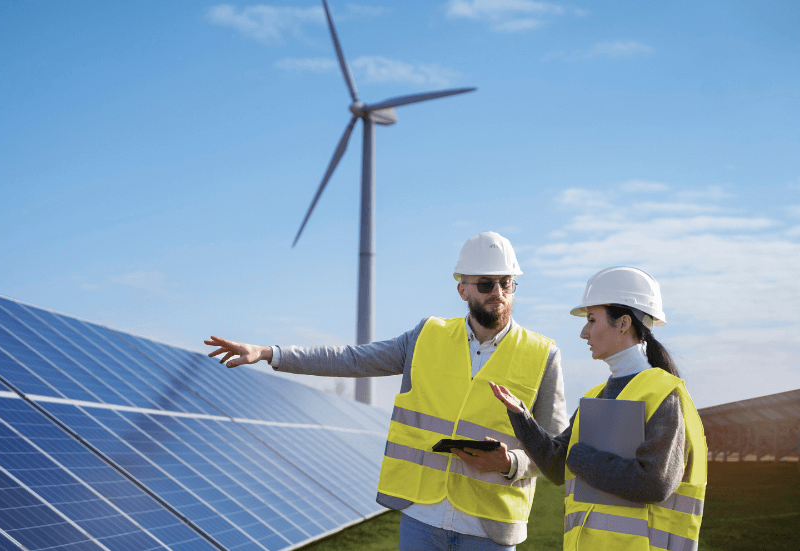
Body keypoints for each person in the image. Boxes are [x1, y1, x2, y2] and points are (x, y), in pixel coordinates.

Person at [206, 231, 568, 551]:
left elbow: (555, 453)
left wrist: (510, 463)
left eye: (507, 283)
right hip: (422, 520)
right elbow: (352, 359)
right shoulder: (427, 335)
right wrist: (271, 353)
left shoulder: (542, 355)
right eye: (486, 284)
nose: (498, 294)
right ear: (463, 289)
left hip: (490, 531)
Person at [489, 266, 706, 551]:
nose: (584, 332)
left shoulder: (664, 395)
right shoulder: (597, 396)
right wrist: (522, 417)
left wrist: (579, 456)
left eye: (592, 320)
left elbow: (654, 482)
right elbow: (558, 466)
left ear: (623, 323)